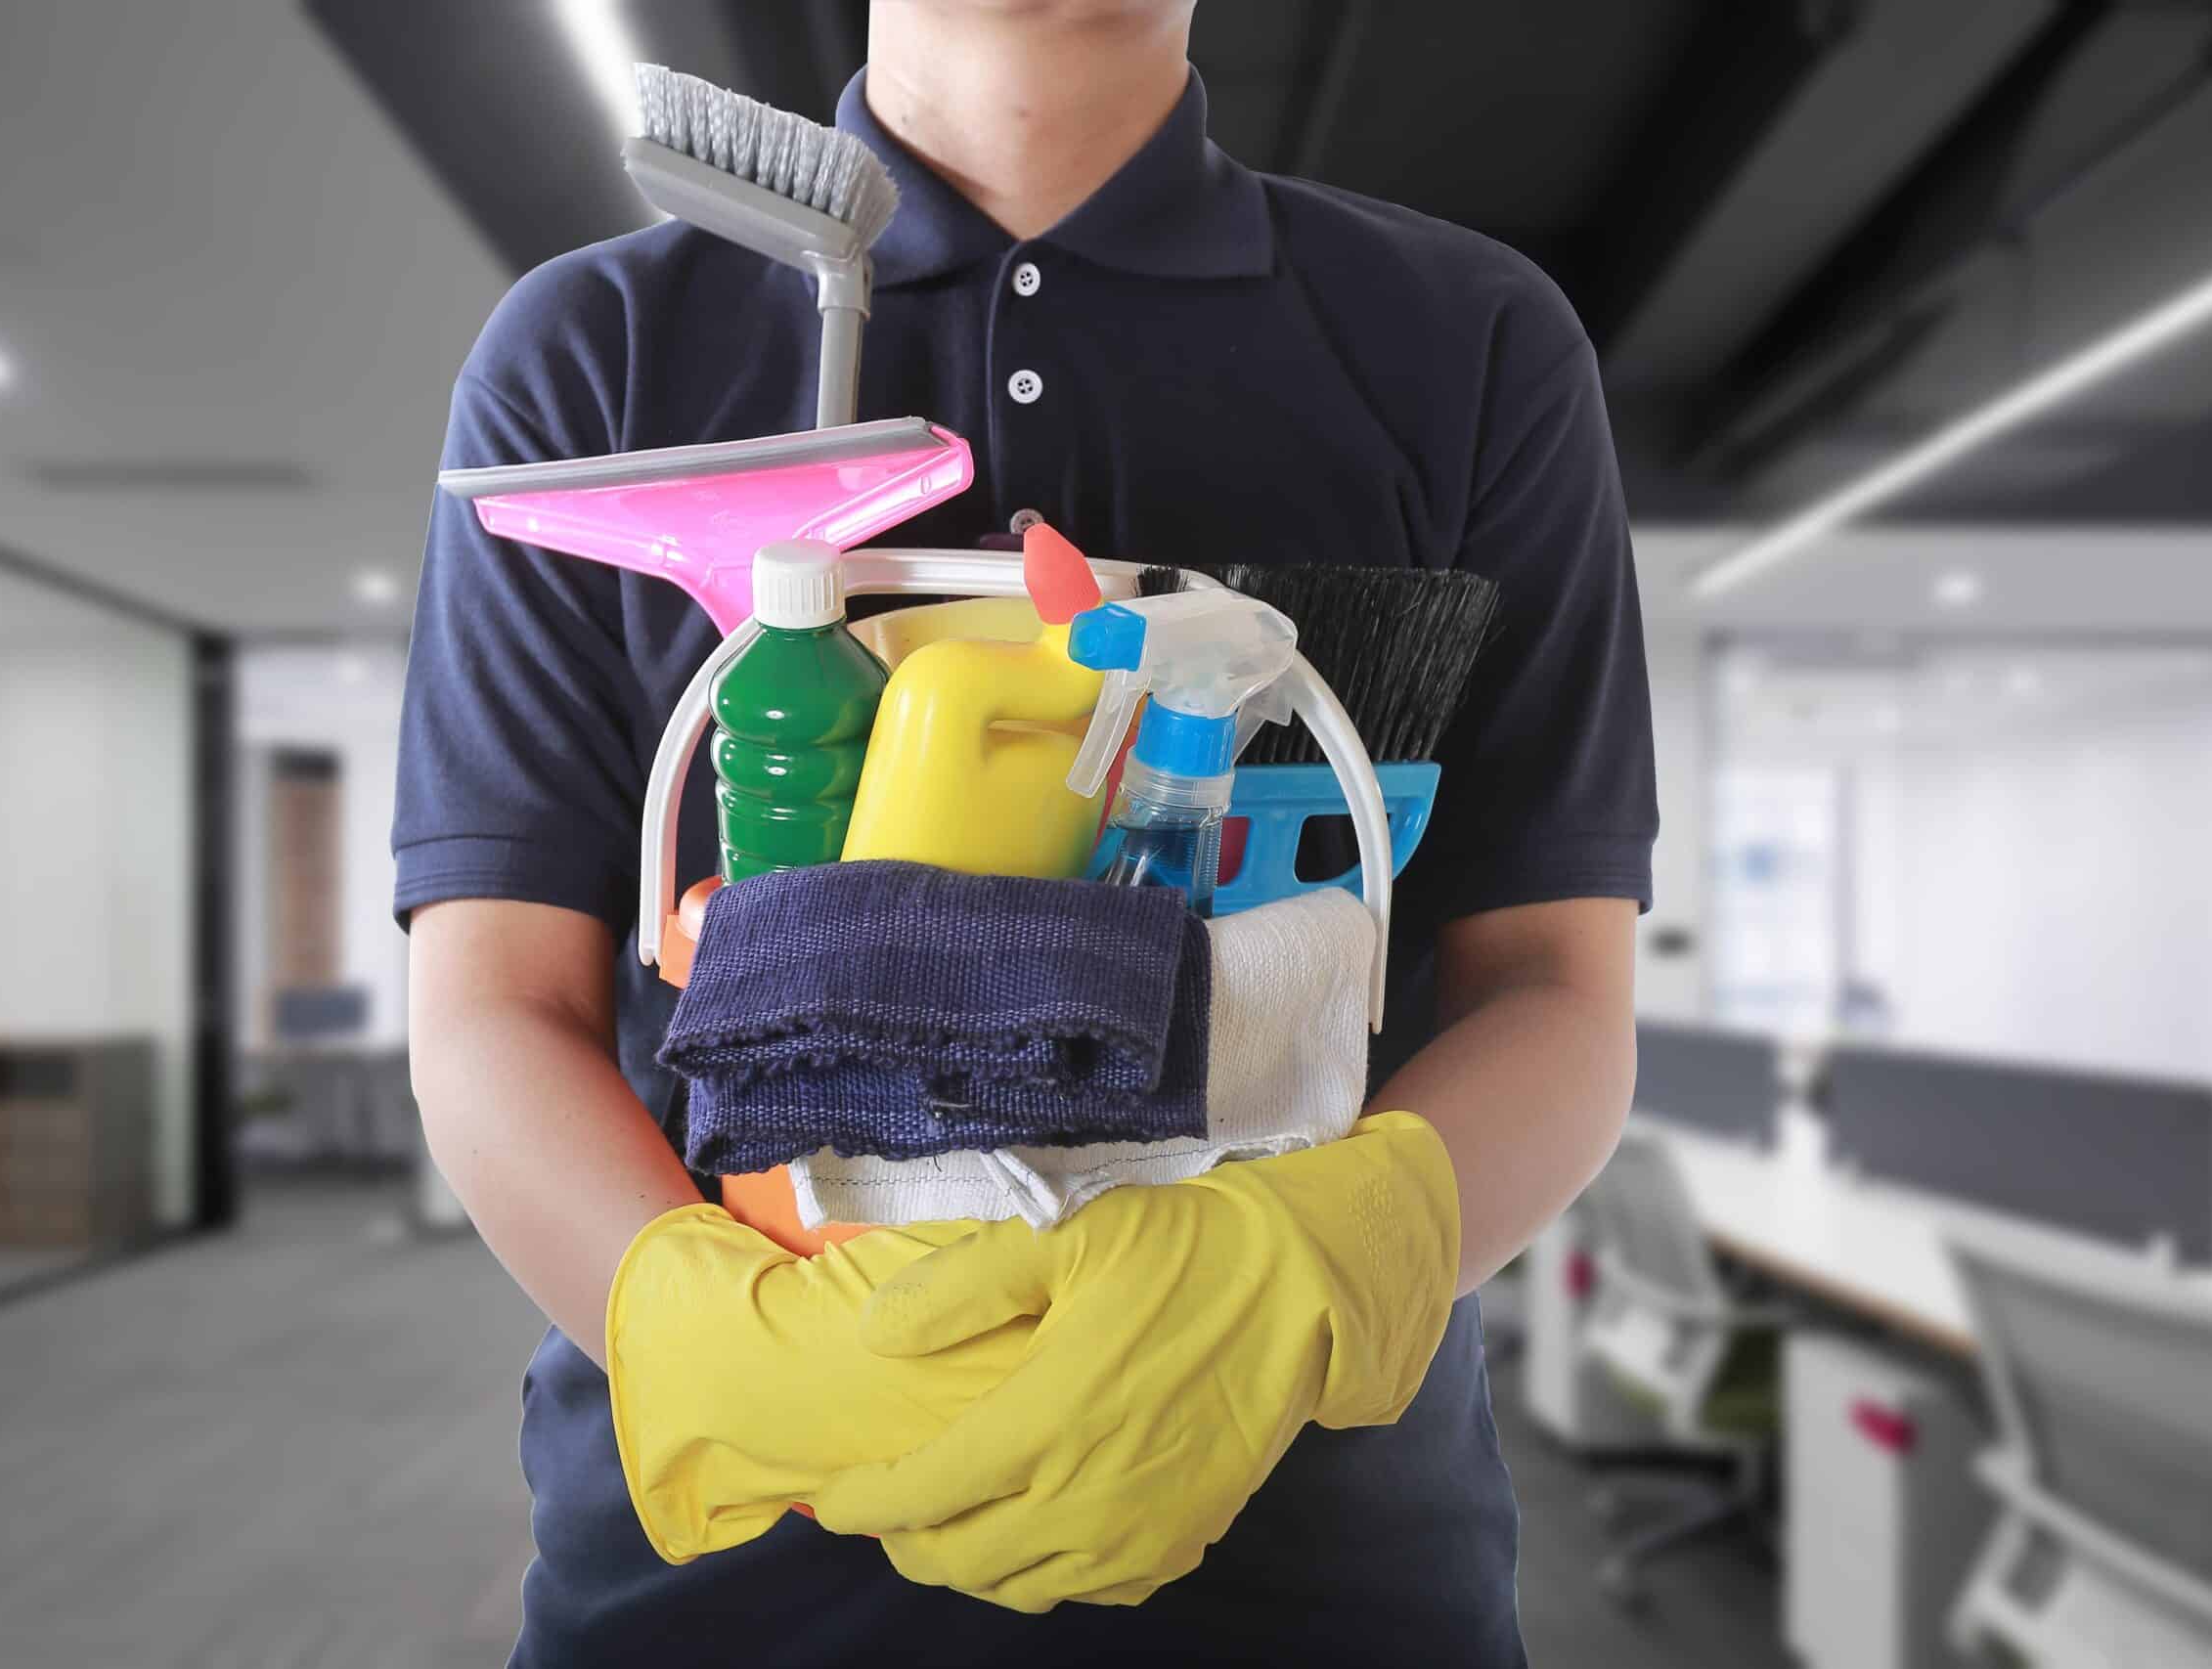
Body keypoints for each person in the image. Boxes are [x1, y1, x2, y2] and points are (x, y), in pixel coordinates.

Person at [398, 1, 1653, 1661]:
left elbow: (1558, 985)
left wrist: (1319, 1266)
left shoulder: (1469, 338)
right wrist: (718, 1332)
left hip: (1322, 1578)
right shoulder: (598, 351)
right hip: (723, 1597)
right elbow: (498, 1002)